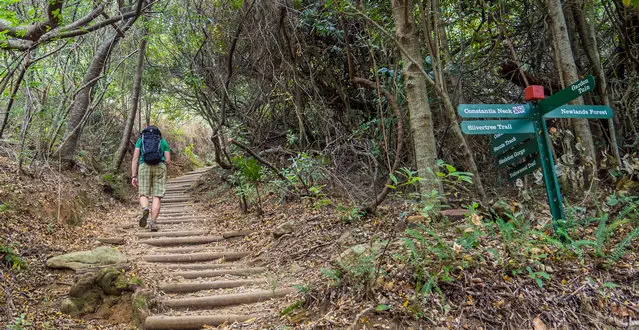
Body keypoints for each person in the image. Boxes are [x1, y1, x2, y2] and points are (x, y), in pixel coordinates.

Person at [131, 125, 171, 231]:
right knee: (157, 196)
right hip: (160, 167)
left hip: (144, 166)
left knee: (143, 194)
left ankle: (145, 208)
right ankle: (152, 223)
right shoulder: (162, 141)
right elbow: (168, 160)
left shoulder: (141, 140)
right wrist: (162, 166)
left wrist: (134, 175)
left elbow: (135, 158)